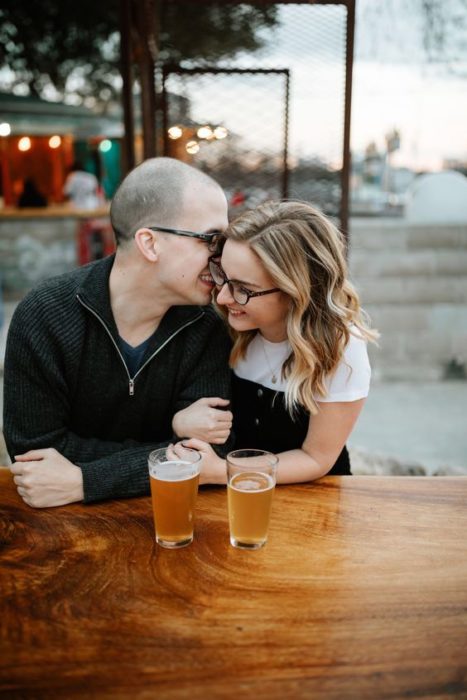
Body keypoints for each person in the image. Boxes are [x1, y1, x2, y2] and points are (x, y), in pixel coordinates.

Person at [4, 157, 234, 508]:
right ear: (150, 243)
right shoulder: (45, 314)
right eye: (212, 239)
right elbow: (34, 455)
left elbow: (204, 456)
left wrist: (85, 480)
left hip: (173, 519)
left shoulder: (208, 327)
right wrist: (170, 435)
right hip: (60, 529)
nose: (223, 257)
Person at [176, 200, 378, 484]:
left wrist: (223, 471)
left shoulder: (340, 346)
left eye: (244, 289)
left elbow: (316, 458)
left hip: (310, 499)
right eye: (223, 276)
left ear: (296, 291)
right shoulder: (223, 324)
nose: (222, 298)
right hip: (237, 497)